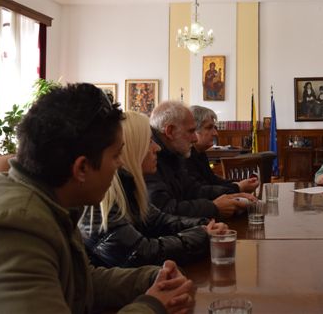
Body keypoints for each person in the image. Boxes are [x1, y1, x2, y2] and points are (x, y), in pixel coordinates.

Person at [0, 83, 193, 313]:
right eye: (116, 155)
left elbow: (79, 283)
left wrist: (149, 278)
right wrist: (153, 306)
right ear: (82, 168)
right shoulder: (16, 227)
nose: (120, 164)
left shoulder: (52, 200)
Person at [81, 111, 228, 268]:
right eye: (149, 141)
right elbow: (140, 253)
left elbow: (160, 221)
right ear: (132, 149)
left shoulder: (129, 187)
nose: (157, 147)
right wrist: (203, 235)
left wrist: (204, 225)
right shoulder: (100, 201)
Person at [146, 101, 256, 220]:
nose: (195, 139)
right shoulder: (148, 158)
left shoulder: (174, 153)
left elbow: (193, 190)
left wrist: (232, 194)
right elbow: (163, 210)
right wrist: (213, 207)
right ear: (170, 131)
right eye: (191, 131)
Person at [186, 105, 259, 193]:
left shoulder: (200, 153)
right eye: (209, 128)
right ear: (194, 130)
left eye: (214, 128)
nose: (215, 133)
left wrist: (238, 183)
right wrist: (238, 187)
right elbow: (202, 191)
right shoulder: (185, 157)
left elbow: (213, 181)